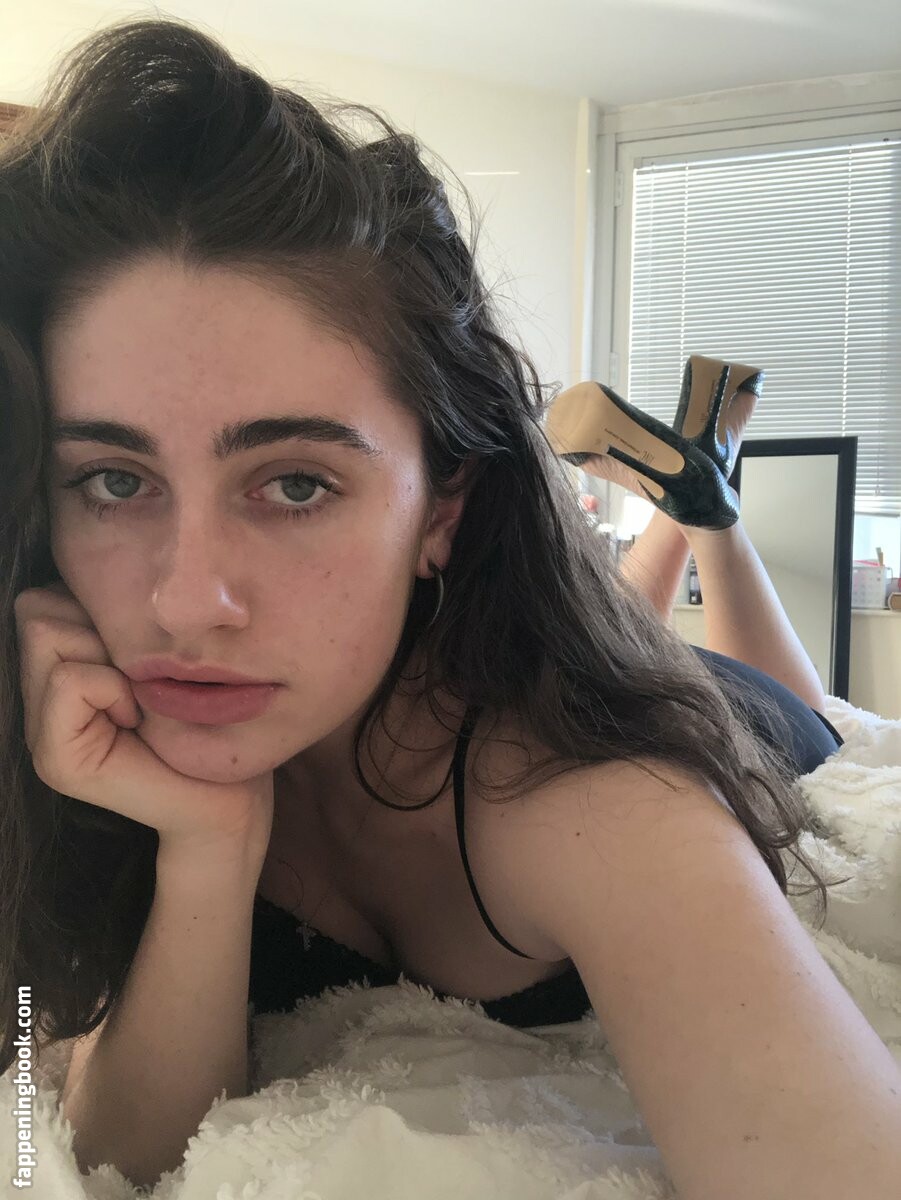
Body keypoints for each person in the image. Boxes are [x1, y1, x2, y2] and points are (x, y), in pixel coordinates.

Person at [3, 16, 900, 1197]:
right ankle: (691, 490)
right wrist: (209, 845)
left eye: (295, 484)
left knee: (795, 705)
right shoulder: (97, 719)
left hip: (744, 721)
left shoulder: (596, 804)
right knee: (613, 624)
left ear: (443, 507)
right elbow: (108, 1152)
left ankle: (705, 507)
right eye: (115, 482)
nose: (185, 604)